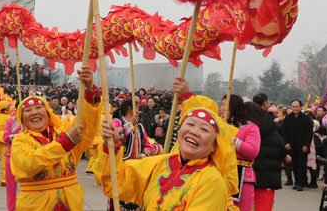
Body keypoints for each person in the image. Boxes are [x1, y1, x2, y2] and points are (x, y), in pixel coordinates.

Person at [96, 77, 238, 210]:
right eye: (190, 124)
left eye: (204, 129)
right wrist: (111, 147)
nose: (194, 132)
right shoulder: (159, 164)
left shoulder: (212, 181)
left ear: (215, 145)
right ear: (179, 129)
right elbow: (116, 184)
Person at [11, 65, 100, 211]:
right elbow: (29, 164)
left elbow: (85, 126)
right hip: (36, 204)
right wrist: (65, 143)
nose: (34, 113)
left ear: (48, 113)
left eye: (39, 108)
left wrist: (90, 91)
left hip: (71, 202)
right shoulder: (20, 140)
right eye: (28, 111)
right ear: (23, 119)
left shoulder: (63, 132)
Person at [246, 100, 286, 211]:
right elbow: (282, 148)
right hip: (268, 178)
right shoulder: (271, 130)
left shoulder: (249, 132)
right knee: (264, 207)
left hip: (253, 176)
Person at [224, 94, 260, 211]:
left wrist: (233, 140)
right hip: (220, 175)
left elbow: (252, 151)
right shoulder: (220, 125)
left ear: (234, 107)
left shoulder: (250, 127)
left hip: (242, 176)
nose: (220, 108)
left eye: (224, 105)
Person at [282, 99, 314, 191]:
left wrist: (306, 145)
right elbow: (284, 132)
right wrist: (286, 143)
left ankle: (301, 183)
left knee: (302, 165)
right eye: (293, 107)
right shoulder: (288, 118)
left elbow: (309, 133)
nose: (295, 108)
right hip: (291, 145)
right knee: (294, 165)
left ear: (300, 107)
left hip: (302, 146)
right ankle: (297, 182)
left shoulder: (306, 118)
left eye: (297, 107)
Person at [3, 115, 23, 211]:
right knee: (11, 188)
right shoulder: (11, 121)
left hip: (30, 157)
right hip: (11, 156)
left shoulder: (36, 121)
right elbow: (6, 137)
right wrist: (20, 135)